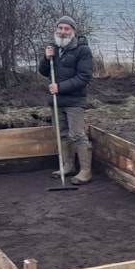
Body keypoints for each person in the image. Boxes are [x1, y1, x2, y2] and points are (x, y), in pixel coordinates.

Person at [39, 16, 94, 185]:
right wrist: (45, 58)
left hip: (74, 101)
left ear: (73, 31)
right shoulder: (54, 48)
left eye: (66, 29)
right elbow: (43, 72)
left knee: (77, 134)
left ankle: (85, 171)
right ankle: (68, 165)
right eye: (60, 28)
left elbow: (84, 77)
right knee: (62, 134)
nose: (62, 32)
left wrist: (61, 87)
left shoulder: (82, 50)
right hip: (57, 101)